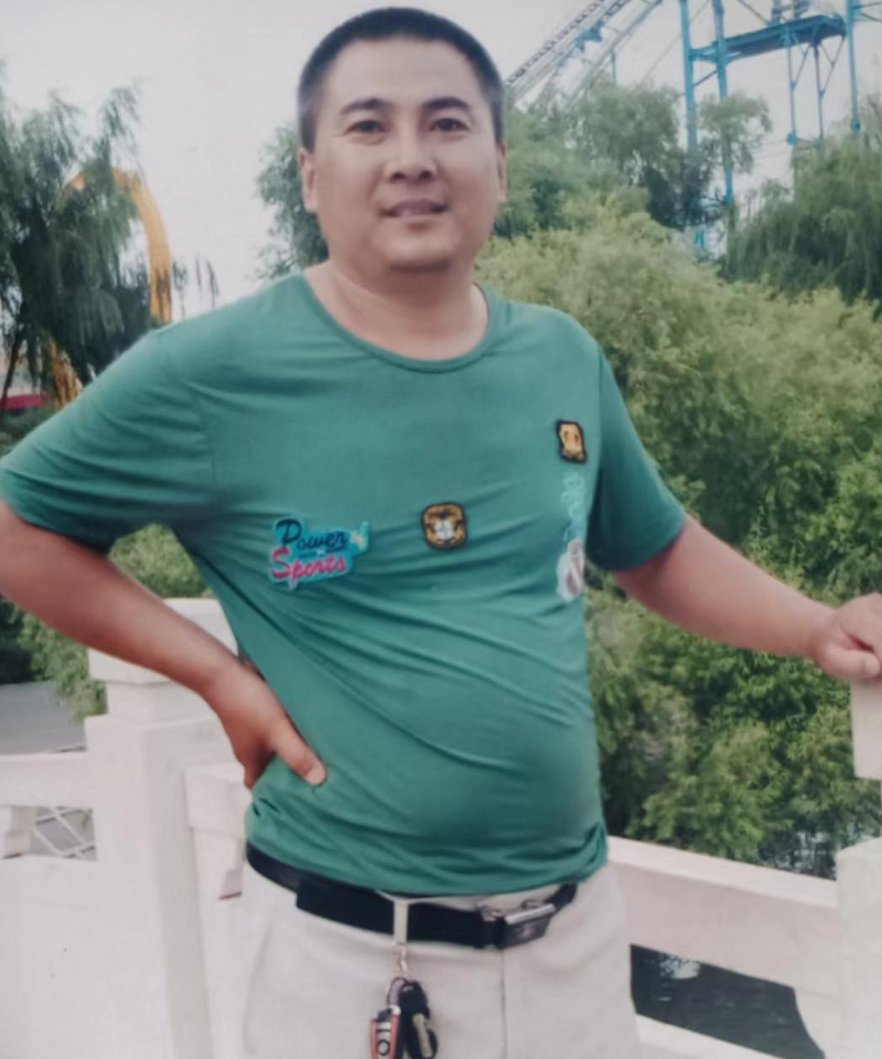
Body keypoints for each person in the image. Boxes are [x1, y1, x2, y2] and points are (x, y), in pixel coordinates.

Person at [0, 7, 880, 1058]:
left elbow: (654, 548)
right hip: (348, 956)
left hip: (574, 944)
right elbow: (17, 528)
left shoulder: (559, 357)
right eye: (369, 125)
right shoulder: (212, 374)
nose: (412, 157)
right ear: (312, 174)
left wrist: (816, 628)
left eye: (449, 124)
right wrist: (219, 678)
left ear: (499, 167)